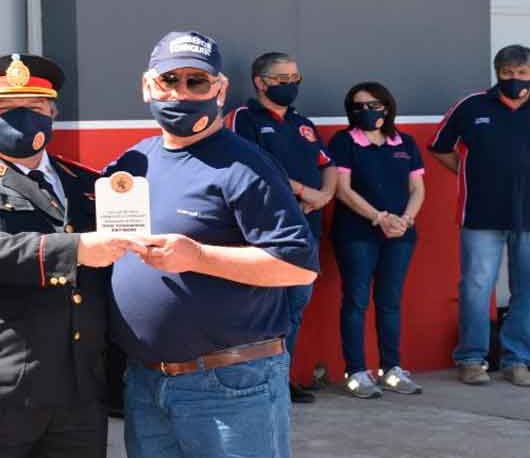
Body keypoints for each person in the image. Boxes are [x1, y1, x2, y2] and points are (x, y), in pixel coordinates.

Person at [107, 31, 319, 458]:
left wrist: (199, 257)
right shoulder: (134, 162)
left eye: (196, 82)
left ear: (220, 90)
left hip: (230, 385)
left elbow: (298, 266)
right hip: (146, 384)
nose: (180, 92)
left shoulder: (245, 165)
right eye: (169, 80)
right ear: (147, 86)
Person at [0, 53, 138, 458]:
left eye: (34, 107)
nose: (21, 116)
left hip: (80, 389)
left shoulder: (87, 184)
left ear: (53, 113)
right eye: (3, 108)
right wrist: (77, 250)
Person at [225, 51, 336, 403]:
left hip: (306, 229)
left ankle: (281, 379)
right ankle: (257, 382)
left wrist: (323, 196)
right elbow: (250, 165)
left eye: (295, 79)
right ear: (260, 82)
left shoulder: (303, 123)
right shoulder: (243, 118)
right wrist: (302, 191)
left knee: (294, 307)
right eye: (282, 80)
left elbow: (327, 163)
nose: (291, 86)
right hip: (264, 232)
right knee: (262, 310)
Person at [429, 44, 530, 387]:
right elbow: (440, 146)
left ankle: (517, 360)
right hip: (481, 214)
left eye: (521, 73)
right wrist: (469, 173)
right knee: (476, 287)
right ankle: (472, 359)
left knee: (526, 289)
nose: (514, 79)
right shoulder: (471, 105)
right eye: (507, 73)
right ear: (497, 72)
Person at [328, 82, 426, 398]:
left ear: (386, 106)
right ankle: (356, 371)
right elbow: (343, 189)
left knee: (389, 302)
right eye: (358, 106)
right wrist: (379, 218)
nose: (365, 111)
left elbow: (418, 189)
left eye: (372, 104)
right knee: (356, 301)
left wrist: (405, 220)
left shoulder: (405, 142)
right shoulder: (343, 142)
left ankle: (391, 369)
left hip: (400, 234)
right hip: (357, 235)